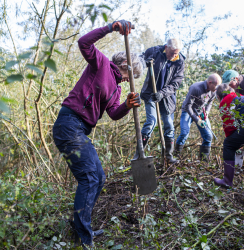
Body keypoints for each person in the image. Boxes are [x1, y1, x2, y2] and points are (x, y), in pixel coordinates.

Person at [53, 20, 144, 248]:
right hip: (69, 124)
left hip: (81, 129)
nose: (126, 79)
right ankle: (84, 237)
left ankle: (81, 226)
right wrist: (110, 28)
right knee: (89, 178)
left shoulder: (117, 87)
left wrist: (128, 105)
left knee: (99, 177)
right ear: (124, 64)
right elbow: (83, 42)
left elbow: (113, 113)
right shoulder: (100, 63)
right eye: (128, 75)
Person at [133, 38, 185, 163]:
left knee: (169, 125)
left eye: (176, 53)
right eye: (172, 52)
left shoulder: (180, 61)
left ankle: (168, 156)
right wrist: (143, 62)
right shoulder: (154, 51)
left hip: (167, 97)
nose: (173, 56)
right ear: (166, 47)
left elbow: (176, 83)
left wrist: (162, 94)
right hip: (150, 93)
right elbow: (138, 61)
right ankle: (139, 154)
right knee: (152, 122)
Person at [175, 74, 222, 160]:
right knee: (184, 133)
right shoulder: (196, 88)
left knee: (208, 135)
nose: (217, 88)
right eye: (216, 85)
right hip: (188, 111)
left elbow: (210, 102)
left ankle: (204, 161)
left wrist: (207, 111)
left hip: (201, 112)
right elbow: (188, 106)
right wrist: (197, 120)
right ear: (210, 82)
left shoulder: (213, 90)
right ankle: (176, 156)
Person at [214, 83, 244, 188]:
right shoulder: (239, 96)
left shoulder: (225, 102)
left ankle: (227, 181)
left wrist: (232, 140)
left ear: (218, 97)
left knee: (228, 144)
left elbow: (230, 127)